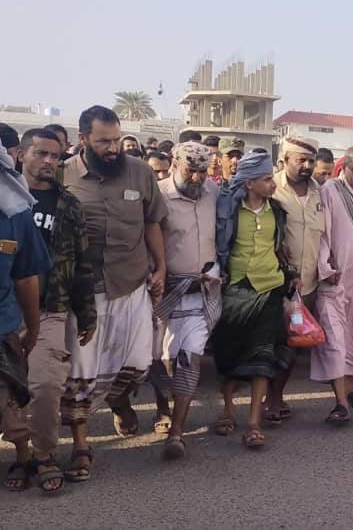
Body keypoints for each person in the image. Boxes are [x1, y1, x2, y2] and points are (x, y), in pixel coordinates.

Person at [60, 106, 167, 480]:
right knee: (81, 372)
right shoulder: (63, 175)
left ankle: (119, 403)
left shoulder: (140, 172)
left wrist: (161, 267)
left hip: (131, 284)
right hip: (84, 293)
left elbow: (152, 222)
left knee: (137, 364)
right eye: (103, 141)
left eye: (116, 139)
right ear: (83, 139)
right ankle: (81, 445)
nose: (112, 148)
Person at [2, 131, 84, 494]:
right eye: (41, 153)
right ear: (21, 154)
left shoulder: (66, 205)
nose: (49, 160)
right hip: (8, 311)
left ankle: (44, 453)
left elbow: (81, 261)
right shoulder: (10, 201)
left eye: (56, 155)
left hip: (47, 309)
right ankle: (22, 453)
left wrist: (87, 311)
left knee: (46, 385)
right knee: (9, 390)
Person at [210, 152, 298, 449]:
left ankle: (253, 423)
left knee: (262, 357)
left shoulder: (278, 211)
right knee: (229, 354)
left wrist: (291, 274)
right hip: (235, 289)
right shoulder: (227, 209)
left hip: (269, 289)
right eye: (267, 179)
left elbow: (281, 248)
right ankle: (227, 410)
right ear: (249, 184)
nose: (273, 184)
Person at [151, 141, 220, 459]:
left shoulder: (214, 193)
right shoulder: (158, 195)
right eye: (191, 170)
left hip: (201, 291)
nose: (197, 178)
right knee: (158, 358)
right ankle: (162, 407)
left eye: (202, 171)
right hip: (163, 292)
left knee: (189, 356)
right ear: (174, 164)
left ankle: (177, 431)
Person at [311, 146, 353, 423]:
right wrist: (325, 266)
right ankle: (340, 403)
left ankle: (348, 392)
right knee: (334, 338)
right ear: (344, 167)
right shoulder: (331, 190)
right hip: (335, 279)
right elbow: (322, 232)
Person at [266, 136, 324, 425]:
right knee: (270, 345)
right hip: (274, 284)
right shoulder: (271, 188)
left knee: (293, 344)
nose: (307, 166)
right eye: (301, 160)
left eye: (311, 161)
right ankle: (266, 398)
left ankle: (275, 396)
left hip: (307, 287)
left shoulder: (321, 193)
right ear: (285, 159)